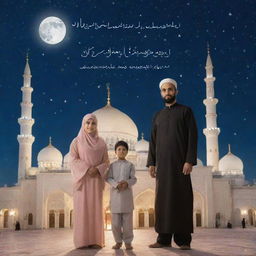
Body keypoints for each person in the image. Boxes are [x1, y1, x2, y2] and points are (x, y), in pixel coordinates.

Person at [147, 78, 198, 250]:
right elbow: (153, 141)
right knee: (162, 201)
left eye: (170, 90)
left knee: (181, 200)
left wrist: (189, 160)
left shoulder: (185, 112)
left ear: (176, 91)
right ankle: (163, 238)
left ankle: (183, 240)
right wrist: (151, 163)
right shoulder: (157, 115)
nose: (167, 93)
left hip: (180, 165)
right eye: (164, 90)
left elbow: (192, 136)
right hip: (162, 166)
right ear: (161, 93)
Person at [69, 113, 109, 249]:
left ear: (97, 125)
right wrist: (86, 168)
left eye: (93, 123)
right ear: (83, 124)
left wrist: (98, 169)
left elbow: (106, 161)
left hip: (96, 181)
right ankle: (82, 241)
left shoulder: (102, 142)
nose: (90, 126)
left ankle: (96, 240)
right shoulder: (76, 141)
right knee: (82, 210)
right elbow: (73, 160)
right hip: (83, 180)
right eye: (87, 123)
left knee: (96, 210)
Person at [107, 141, 137, 250]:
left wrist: (127, 183)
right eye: (119, 149)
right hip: (115, 196)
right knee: (115, 224)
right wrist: (116, 185)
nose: (121, 151)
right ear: (115, 152)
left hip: (126, 197)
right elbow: (109, 178)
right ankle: (118, 242)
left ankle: (128, 242)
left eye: (124, 149)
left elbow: (133, 179)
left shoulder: (130, 165)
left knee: (128, 223)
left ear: (127, 152)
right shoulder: (112, 165)